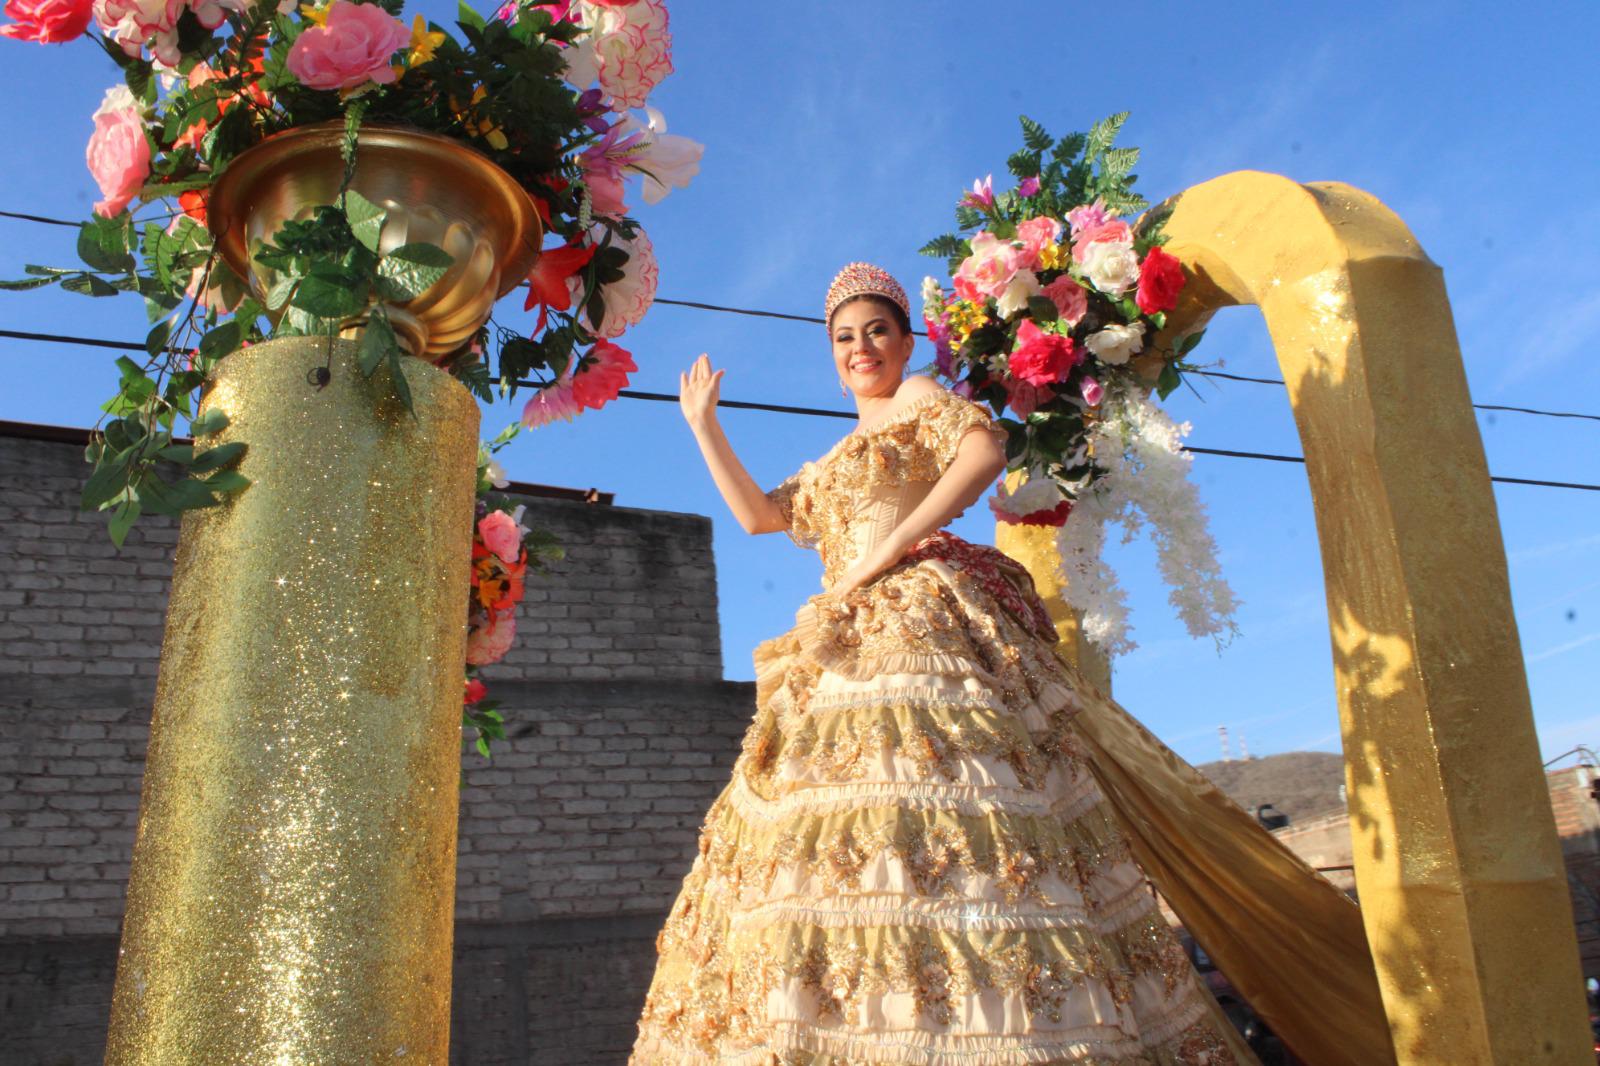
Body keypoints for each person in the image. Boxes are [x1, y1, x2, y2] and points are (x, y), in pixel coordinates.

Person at [629, 263, 1256, 1065]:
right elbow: (759, 518)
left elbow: (983, 449)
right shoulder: (831, 457)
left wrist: (892, 547)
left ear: (904, 339)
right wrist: (703, 426)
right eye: (845, 338)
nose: (862, 348)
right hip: (840, 645)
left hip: (916, 624)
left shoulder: (918, 397)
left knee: (938, 817)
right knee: (831, 851)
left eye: (877, 331)